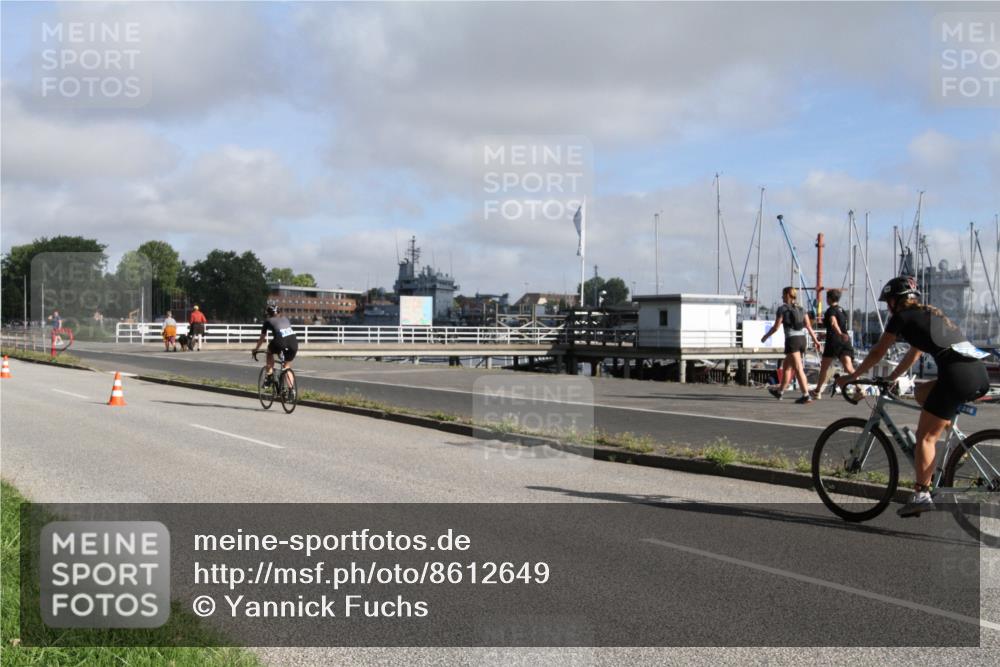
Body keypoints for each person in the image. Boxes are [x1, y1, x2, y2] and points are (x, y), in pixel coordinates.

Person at [837, 276, 990, 517]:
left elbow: (878, 351)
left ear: (895, 301)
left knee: (925, 438)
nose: (888, 307)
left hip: (957, 378)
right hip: (978, 375)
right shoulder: (929, 314)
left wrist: (852, 376)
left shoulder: (901, 317)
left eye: (888, 301)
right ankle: (957, 447)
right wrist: (892, 378)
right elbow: (914, 354)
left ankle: (921, 494)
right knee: (921, 392)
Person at [761, 286, 821, 404]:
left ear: (788, 295)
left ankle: (805, 395)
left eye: (783, 294)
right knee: (787, 366)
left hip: (792, 341)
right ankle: (780, 392)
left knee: (798, 368)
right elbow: (808, 326)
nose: (782, 297)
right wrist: (816, 341)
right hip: (802, 340)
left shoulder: (782, 309)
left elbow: (776, 327)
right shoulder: (801, 308)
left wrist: (766, 336)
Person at [811, 289, 856, 399]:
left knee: (824, 368)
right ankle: (860, 388)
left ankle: (817, 391)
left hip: (833, 341)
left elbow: (833, 322)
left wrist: (839, 333)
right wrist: (842, 334)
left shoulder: (831, 311)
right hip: (845, 340)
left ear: (829, 299)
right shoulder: (842, 310)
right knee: (849, 367)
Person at [251, 304, 298, 388]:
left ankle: (269, 376)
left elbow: (262, 338)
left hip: (280, 341)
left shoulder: (268, 321)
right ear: (279, 312)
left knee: (269, 352)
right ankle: (291, 391)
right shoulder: (285, 318)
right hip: (293, 342)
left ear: (268, 314)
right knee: (287, 367)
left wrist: (256, 349)